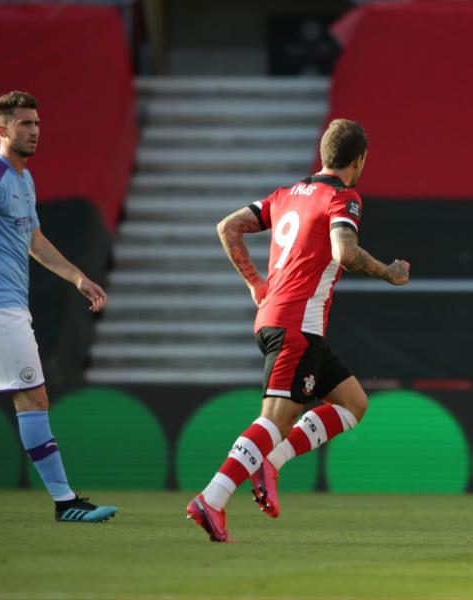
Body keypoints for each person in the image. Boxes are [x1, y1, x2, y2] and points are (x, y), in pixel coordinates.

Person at [186, 118, 410, 542]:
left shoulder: (285, 195)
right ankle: (211, 499)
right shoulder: (343, 197)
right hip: (296, 327)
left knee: (352, 403)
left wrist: (255, 282)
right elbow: (344, 253)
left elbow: (228, 226)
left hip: (279, 319)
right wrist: (389, 272)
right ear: (359, 160)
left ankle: (271, 462)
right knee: (274, 421)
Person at [0, 91, 115, 522]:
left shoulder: (24, 178)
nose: (35, 131)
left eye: (38, 124)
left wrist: (77, 277)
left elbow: (35, 242)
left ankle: (65, 502)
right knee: (33, 395)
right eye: (25, 124)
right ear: (2, 129)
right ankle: (65, 502)